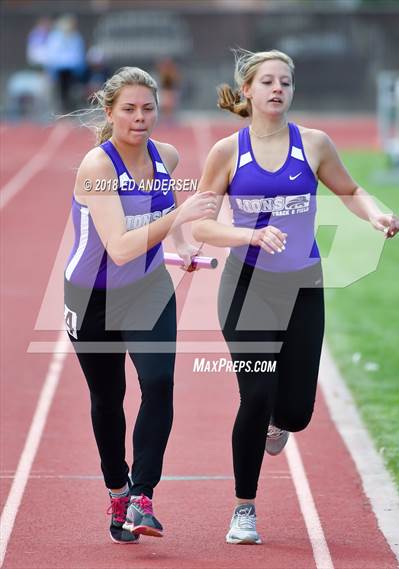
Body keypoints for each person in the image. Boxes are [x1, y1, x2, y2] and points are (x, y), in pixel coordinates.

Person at [192, 49, 399, 545]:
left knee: (296, 413)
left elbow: (351, 191)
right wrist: (247, 237)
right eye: (267, 81)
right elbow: (198, 221)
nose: (277, 89)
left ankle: (278, 425)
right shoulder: (227, 151)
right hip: (246, 288)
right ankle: (244, 509)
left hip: (304, 286)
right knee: (257, 394)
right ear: (248, 89)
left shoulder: (313, 145)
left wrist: (374, 215)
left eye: (285, 82)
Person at [64, 66, 216, 544]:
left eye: (148, 108)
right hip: (92, 299)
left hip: (148, 288)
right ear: (109, 112)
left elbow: (162, 210)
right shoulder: (98, 168)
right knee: (108, 401)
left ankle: (141, 497)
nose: (140, 117)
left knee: (159, 382)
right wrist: (180, 214)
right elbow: (121, 247)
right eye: (128, 109)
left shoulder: (164, 156)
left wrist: (185, 242)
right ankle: (116, 488)